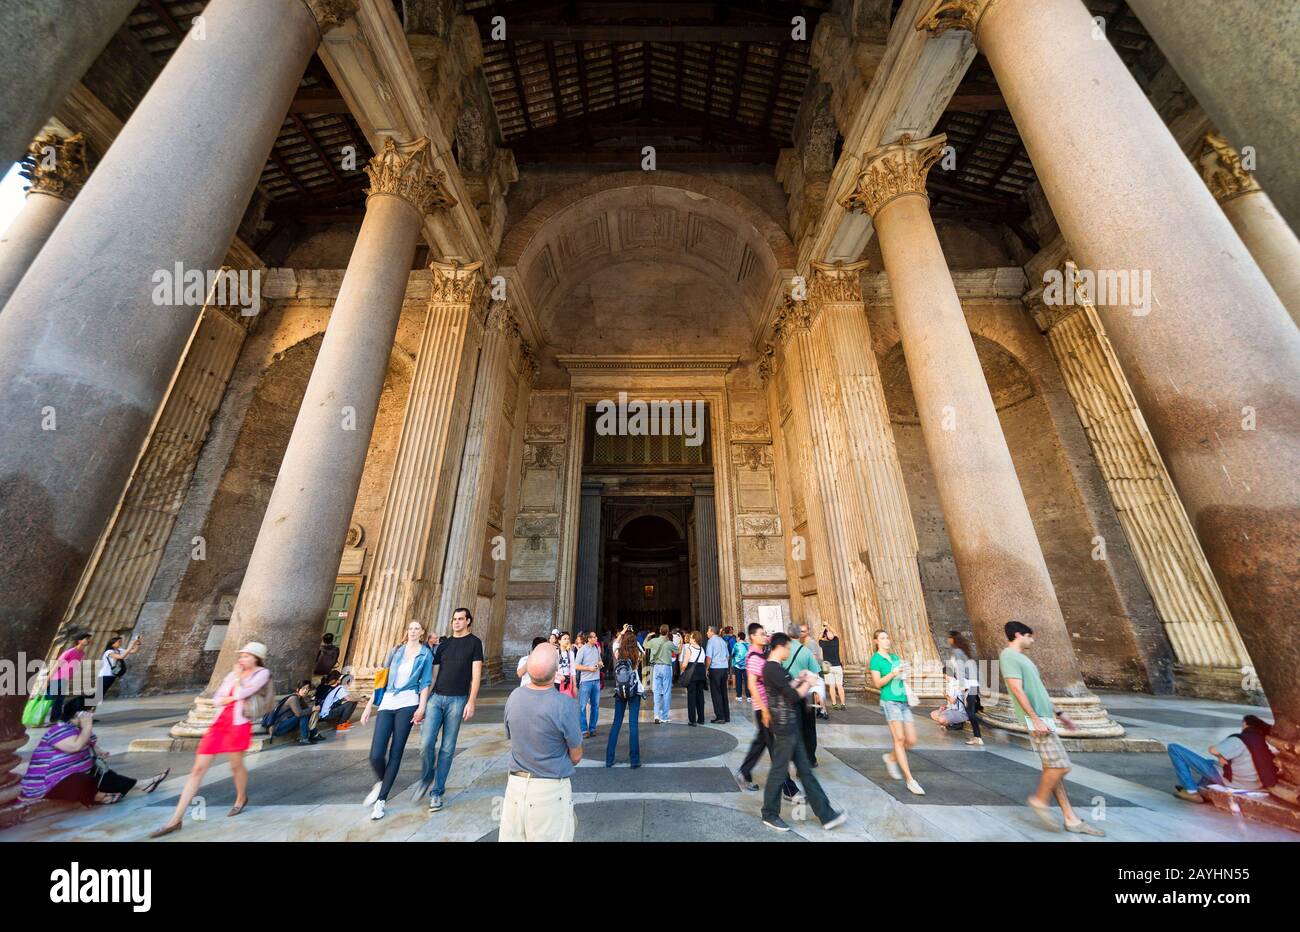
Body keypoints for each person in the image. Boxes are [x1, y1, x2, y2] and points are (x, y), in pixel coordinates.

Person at [149, 642, 273, 837]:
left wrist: (238, 683)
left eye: (246, 655)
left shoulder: (261, 674)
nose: (241, 659)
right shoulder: (233, 674)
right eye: (241, 655)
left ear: (256, 658)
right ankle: (176, 819)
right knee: (197, 769)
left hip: (239, 724)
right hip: (220, 723)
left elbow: (242, 693)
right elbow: (218, 698)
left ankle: (241, 797)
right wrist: (234, 689)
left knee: (236, 766)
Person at [1000, 621, 1104, 836]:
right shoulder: (1009, 656)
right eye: (1030, 635)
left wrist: (1059, 713)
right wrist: (1036, 719)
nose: (1032, 640)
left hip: (1044, 717)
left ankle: (1071, 818)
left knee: (1052, 768)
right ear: (1018, 634)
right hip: (1038, 720)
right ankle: (1039, 800)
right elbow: (1017, 690)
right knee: (1061, 767)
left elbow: (1038, 690)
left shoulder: (1022, 659)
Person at [759, 633, 847, 833]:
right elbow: (790, 696)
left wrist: (800, 678)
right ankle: (769, 813)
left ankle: (827, 815)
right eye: (788, 648)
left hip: (790, 725)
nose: (789, 651)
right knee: (778, 771)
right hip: (783, 727)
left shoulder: (776, 668)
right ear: (779, 647)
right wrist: (809, 682)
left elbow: (786, 687)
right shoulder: (771, 668)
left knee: (805, 771)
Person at [501, 644, 584, 841]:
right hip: (549, 791)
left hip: (515, 788)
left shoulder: (514, 697)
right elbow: (576, 756)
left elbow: (512, 736)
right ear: (556, 672)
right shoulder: (563, 704)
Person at [21, 698, 169, 806]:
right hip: (45, 783)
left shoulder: (77, 729)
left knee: (104, 775)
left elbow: (89, 743)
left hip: (70, 776)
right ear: (78, 714)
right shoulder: (58, 730)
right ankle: (99, 797)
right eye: (89, 712)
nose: (91, 715)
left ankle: (143, 784)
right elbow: (75, 746)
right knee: (84, 781)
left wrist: (99, 751)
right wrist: (87, 726)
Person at [360, 620, 433, 822]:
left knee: (396, 753)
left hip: (409, 701)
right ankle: (382, 782)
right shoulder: (396, 651)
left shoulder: (426, 654)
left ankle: (381, 800)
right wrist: (369, 705)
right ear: (406, 631)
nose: (412, 631)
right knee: (375, 754)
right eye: (410, 628)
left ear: (422, 632)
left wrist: (422, 707)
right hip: (388, 701)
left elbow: (426, 682)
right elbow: (381, 677)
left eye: (416, 629)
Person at [418, 607, 484, 813]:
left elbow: (476, 675)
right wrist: (423, 703)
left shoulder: (474, 643)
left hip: (458, 700)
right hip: (436, 698)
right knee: (426, 743)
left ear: (468, 621)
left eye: (460, 619)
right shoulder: (443, 645)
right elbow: (434, 676)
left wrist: (471, 701)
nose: (456, 622)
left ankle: (437, 792)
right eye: (454, 619)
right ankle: (428, 774)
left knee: (447, 748)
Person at [734, 623, 798, 798]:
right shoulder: (754, 657)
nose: (765, 636)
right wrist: (764, 710)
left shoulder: (761, 653)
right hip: (764, 707)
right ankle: (789, 788)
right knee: (774, 747)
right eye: (761, 634)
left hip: (767, 706)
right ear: (753, 636)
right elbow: (751, 685)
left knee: (761, 742)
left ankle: (744, 772)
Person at [1168, 715, 1278, 802]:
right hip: (1253, 784)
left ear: (1246, 724)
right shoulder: (1259, 741)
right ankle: (1199, 788)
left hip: (1236, 782)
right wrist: (1221, 757)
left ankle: (1191, 792)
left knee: (1174, 749)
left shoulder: (1241, 739)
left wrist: (1219, 755)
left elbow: (1213, 750)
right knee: (1211, 763)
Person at [869, 628, 925, 796]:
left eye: (887, 637)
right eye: (882, 638)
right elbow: (877, 683)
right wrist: (893, 673)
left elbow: (902, 678)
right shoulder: (875, 660)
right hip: (889, 701)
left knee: (912, 740)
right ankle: (910, 780)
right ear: (876, 641)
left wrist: (904, 673)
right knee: (899, 739)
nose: (886, 640)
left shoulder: (895, 658)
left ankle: (891, 758)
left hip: (903, 700)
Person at [605, 629, 644, 768]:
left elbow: (614, 643)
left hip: (620, 689)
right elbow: (643, 651)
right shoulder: (637, 653)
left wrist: (622, 633)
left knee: (616, 723)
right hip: (634, 689)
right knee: (633, 724)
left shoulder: (618, 651)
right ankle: (634, 760)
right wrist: (635, 641)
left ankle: (609, 759)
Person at [783, 625, 824, 757]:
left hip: (790, 693)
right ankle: (811, 757)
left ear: (787, 634)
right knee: (809, 726)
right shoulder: (806, 651)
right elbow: (816, 672)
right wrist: (818, 693)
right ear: (799, 635)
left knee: (795, 726)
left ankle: (797, 758)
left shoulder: (783, 651)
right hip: (806, 693)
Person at [946, 630, 983, 745]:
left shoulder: (957, 651)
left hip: (968, 684)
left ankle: (980, 730)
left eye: (949, 637)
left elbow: (960, 669)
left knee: (969, 711)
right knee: (970, 710)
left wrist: (961, 685)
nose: (948, 639)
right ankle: (977, 737)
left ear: (953, 639)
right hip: (972, 684)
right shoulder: (962, 651)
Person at [48, 631, 92, 723]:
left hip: (66, 678)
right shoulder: (70, 651)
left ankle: (55, 718)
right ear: (79, 641)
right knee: (53, 699)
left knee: (59, 699)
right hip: (57, 677)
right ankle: (51, 718)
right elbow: (57, 665)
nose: (89, 641)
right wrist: (48, 679)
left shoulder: (81, 653)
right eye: (87, 639)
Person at [644, 624, 679, 724]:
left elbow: (644, 645)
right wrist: (680, 643)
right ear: (667, 632)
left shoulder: (654, 641)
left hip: (656, 667)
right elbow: (677, 651)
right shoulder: (669, 643)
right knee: (667, 691)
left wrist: (648, 636)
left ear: (659, 631)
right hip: (666, 667)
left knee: (657, 691)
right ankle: (664, 716)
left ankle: (656, 715)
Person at [270, 680, 323, 745]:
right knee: (302, 715)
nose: (305, 691)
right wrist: (312, 708)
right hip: (278, 727)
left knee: (307, 713)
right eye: (303, 688)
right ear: (297, 689)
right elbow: (299, 713)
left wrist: (314, 709)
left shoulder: (300, 699)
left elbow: (307, 711)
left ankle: (314, 734)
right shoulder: (293, 698)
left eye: (307, 689)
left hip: (287, 723)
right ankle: (304, 739)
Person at [575, 630, 604, 737]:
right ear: (589, 639)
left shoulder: (596, 648)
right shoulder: (582, 650)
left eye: (596, 637)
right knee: (582, 706)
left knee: (595, 706)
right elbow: (576, 666)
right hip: (586, 681)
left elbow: (599, 661)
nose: (596, 639)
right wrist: (589, 668)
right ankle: (583, 730)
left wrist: (600, 664)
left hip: (596, 680)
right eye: (594, 637)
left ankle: (592, 728)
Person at [97, 634, 141, 700]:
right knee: (99, 694)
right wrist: (132, 644)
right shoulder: (109, 652)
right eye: (119, 642)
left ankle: (89, 709)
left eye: (121, 641)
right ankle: (82, 706)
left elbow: (133, 651)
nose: (121, 643)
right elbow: (121, 657)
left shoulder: (119, 650)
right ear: (113, 644)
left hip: (112, 674)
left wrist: (137, 644)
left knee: (101, 694)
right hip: (104, 675)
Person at [680, 631, 710, 726]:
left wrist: (683, 669)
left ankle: (692, 720)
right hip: (701, 673)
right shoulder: (702, 649)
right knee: (700, 697)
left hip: (692, 673)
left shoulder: (689, 649)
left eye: (691, 637)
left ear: (694, 639)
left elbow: (684, 664)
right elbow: (703, 661)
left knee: (691, 697)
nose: (690, 639)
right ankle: (701, 719)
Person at [705, 625, 731, 723]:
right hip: (724, 669)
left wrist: (706, 669)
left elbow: (709, 657)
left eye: (708, 631)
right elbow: (728, 656)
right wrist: (724, 664)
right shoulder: (722, 641)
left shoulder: (711, 641)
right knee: (724, 692)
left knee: (716, 693)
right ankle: (726, 716)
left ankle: (720, 717)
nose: (707, 633)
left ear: (712, 631)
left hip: (715, 669)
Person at [818, 626, 845, 711]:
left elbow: (819, 637)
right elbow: (835, 632)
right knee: (839, 686)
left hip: (827, 666)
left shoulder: (823, 643)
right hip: (837, 666)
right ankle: (842, 704)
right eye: (829, 632)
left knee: (832, 686)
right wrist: (828, 625)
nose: (831, 633)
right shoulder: (836, 641)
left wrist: (824, 629)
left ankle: (834, 704)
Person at [731, 632, 750, 703]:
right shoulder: (748, 645)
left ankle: (739, 696)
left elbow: (732, 654)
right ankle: (749, 696)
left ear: (739, 637)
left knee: (738, 680)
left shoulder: (736, 645)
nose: (736, 638)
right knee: (747, 681)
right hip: (746, 665)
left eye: (737, 637)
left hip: (737, 665)